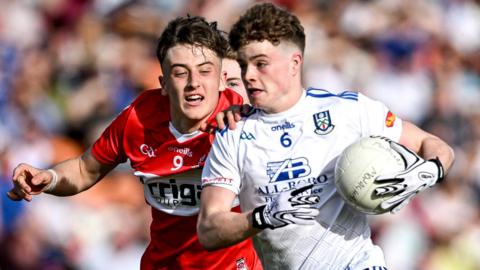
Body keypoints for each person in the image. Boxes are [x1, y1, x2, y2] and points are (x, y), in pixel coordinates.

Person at [197, 3, 455, 270]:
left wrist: (429, 170)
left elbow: (432, 144)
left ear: (294, 63)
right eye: (243, 64)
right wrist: (264, 215)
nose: (248, 75)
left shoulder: (348, 110)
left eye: (261, 64)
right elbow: (209, 229)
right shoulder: (233, 132)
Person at [7, 15, 262, 270]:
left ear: (219, 78)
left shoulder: (244, 120)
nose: (194, 83)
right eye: (181, 73)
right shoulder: (138, 119)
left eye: (205, 71)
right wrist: (48, 177)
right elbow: (85, 170)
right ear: (163, 83)